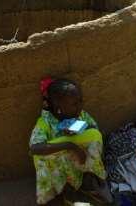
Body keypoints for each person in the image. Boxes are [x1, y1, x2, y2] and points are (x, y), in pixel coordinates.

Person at [29, 77, 111, 205]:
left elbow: (95, 131)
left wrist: (81, 129)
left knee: (94, 135)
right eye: (74, 104)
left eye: (80, 101)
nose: (80, 106)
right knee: (40, 155)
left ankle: (88, 180)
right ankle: (62, 191)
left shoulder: (81, 115)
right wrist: (70, 145)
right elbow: (35, 148)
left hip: (81, 165)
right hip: (60, 170)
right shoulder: (45, 122)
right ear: (58, 107)